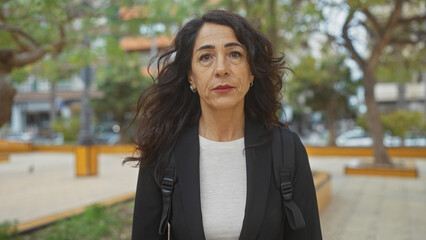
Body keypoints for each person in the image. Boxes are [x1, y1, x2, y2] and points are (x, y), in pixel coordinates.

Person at [125, 9, 322, 240]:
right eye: (205, 57)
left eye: (235, 54)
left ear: (251, 72)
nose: (221, 69)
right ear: (191, 77)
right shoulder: (163, 150)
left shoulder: (287, 149)